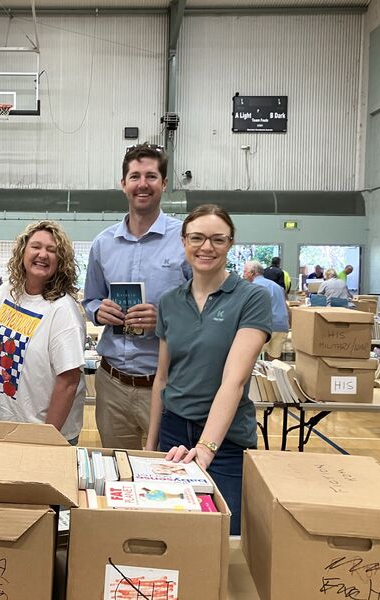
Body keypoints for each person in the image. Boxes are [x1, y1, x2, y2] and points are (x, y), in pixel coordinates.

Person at [146, 204, 271, 536]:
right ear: (184, 241)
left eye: (217, 239)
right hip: (173, 433)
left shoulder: (251, 298)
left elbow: (235, 380)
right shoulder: (170, 301)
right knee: (173, 531)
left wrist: (206, 448)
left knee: (223, 538)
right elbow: (162, 379)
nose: (206, 247)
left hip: (225, 441)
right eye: (197, 238)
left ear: (230, 243)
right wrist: (149, 446)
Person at [83, 143, 190, 449]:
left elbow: (206, 310)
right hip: (112, 384)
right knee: (120, 470)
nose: (143, 184)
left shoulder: (185, 240)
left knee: (166, 478)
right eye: (135, 176)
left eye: (151, 176)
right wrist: (97, 311)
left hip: (166, 383)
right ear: (123, 184)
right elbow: (91, 299)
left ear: (164, 184)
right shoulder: (103, 244)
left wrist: (165, 319)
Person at [0, 221, 86, 445]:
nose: (43, 254)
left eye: (52, 250)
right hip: (0, 424)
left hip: (42, 432)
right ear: (23, 251)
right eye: (36, 247)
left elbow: (69, 382)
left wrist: (44, 440)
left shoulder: (63, 309)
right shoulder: (5, 293)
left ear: (61, 261)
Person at [243, 260, 289, 359]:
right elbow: (286, 306)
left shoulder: (253, 287)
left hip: (265, 326)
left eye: (245, 271)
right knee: (274, 360)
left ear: (252, 272)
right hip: (282, 325)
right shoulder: (276, 286)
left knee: (251, 358)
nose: (243, 274)